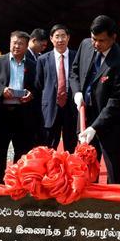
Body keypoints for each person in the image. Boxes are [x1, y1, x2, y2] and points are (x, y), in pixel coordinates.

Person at [69, 15, 120, 184]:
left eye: (101, 40)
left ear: (113, 38)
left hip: (109, 124)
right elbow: (74, 72)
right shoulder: (85, 45)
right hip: (85, 116)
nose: (96, 44)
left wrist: (95, 127)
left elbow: (116, 101)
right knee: (85, 169)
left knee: (114, 172)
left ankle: (116, 207)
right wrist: (77, 91)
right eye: (93, 39)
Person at [0, 31, 37, 184]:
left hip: (22, 113)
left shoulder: (33, 65)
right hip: (1, 113)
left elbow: (39, 86)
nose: (16, 46)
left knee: (22, 151)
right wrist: (2, 90)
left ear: (27, 46)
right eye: (14, 42)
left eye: (20, 43)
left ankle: (17, 181)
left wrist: (31, 94)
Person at [35, 24, 77, 152]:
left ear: (68, 38)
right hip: (51, 107)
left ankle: (70, 171)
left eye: (63, 36)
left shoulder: (76, 57)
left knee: (71, 145)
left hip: (71, 107)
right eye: (57, 36)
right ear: (51, 39)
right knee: (49, 145)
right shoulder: (43, 59)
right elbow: (38, 84)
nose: (60, 40)